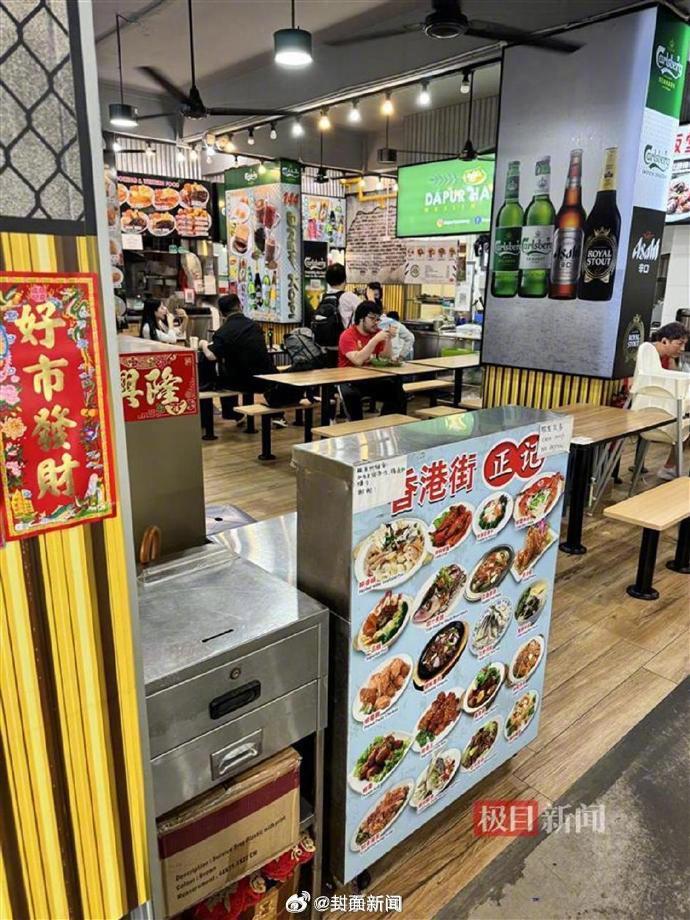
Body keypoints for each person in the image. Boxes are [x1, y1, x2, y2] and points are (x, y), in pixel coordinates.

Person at [198, 294, 295, 412]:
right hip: (265, 380)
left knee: (221, 376)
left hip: (242, 382)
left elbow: (211, 356)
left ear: (221, 313)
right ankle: (274, 415)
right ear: (240, 306)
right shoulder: (255, 326)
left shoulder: (223, 331)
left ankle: (230, 413)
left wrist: (203, 344)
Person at [633, 321, 689, 480]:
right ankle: (670, 467)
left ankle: (670, 467)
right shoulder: (646, 354)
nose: (682, 349)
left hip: (660, 403)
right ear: (665, 340)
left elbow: (673, 376)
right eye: (679, 343)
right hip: (650, 408)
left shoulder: (665, 358)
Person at [337, 301, 407, 421]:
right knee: (352, 398)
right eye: (372, 318)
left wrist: (389, 339)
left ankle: (388, 424)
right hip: (348, 380)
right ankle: (356, 427)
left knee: (397, 389)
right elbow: (357, 360)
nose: (376, 322)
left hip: (369, 378)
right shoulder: (347, 335)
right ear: (361, 319)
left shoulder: (376, 333)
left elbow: (385, 357)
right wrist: (374, 340)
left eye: (378, 319)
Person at [312, 263, 360, 366]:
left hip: (325, 348)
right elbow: (366, 311)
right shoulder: (348, 297)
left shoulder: (323, 297)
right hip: (345, 348)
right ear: (345, 279)